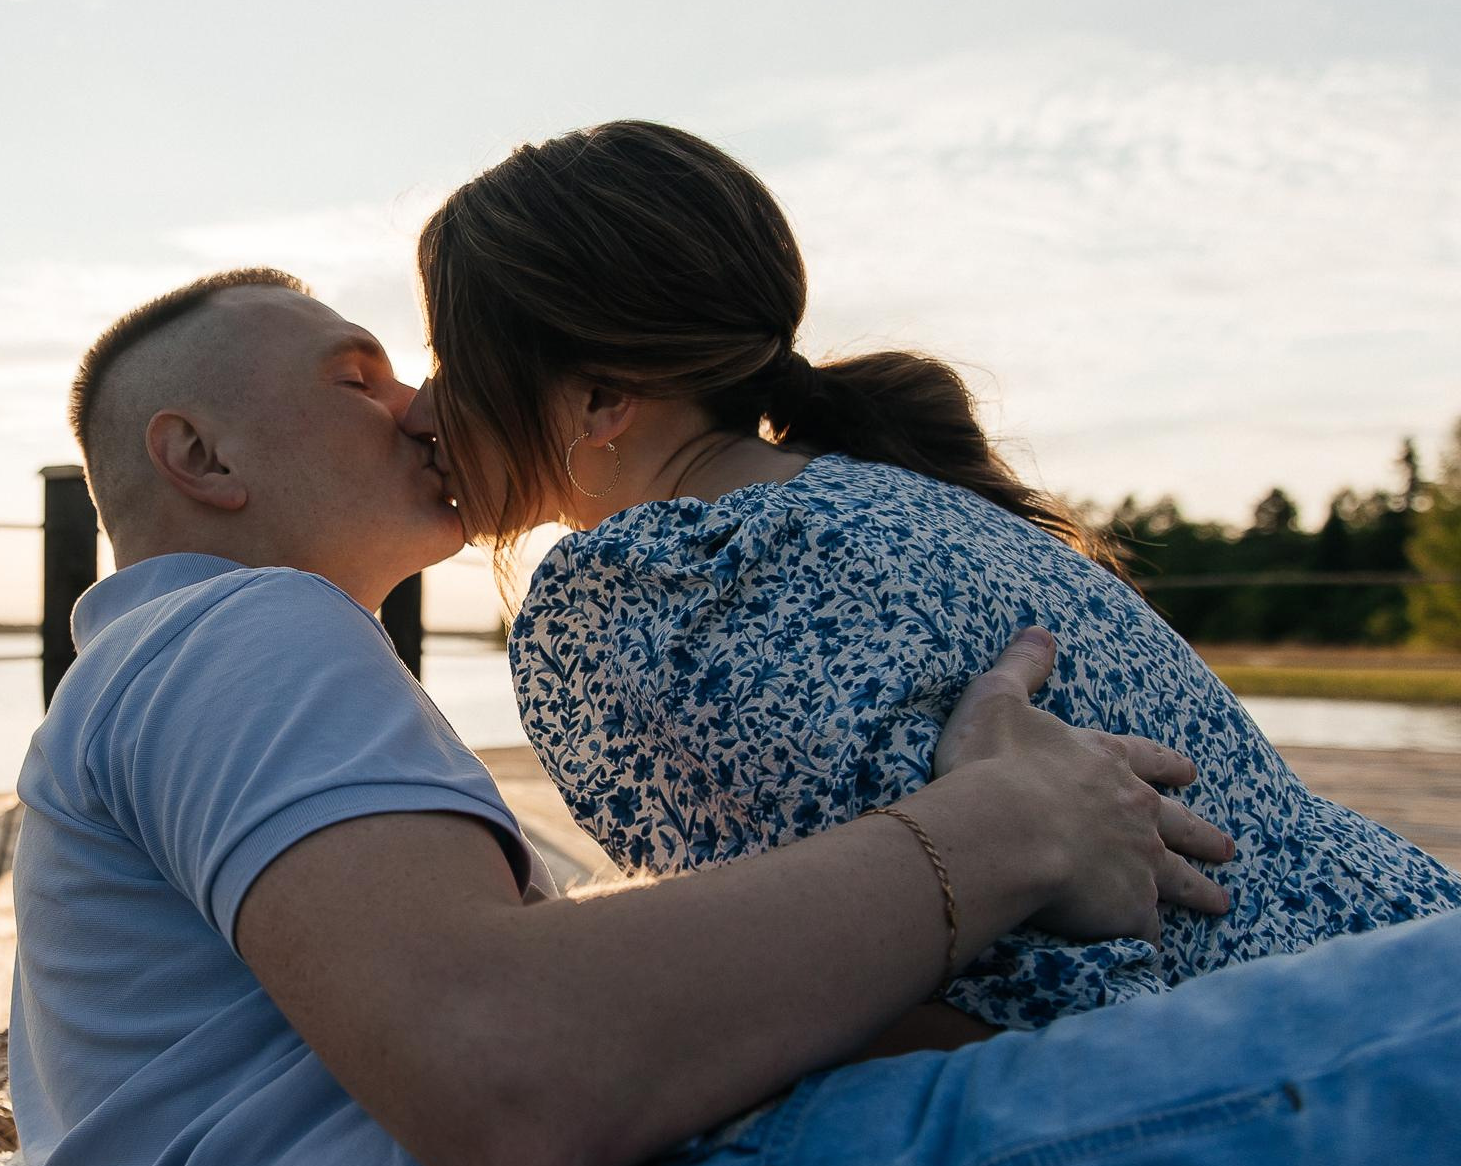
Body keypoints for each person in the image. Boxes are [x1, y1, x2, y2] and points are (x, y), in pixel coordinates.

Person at [7, 267, 1459, 1166]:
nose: (420, 405)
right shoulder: (236, 628)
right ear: (198, 456)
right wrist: (1002, 830)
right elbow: (507, 1068)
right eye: (358, 375)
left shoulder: (143, 703)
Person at [408, 120, 1461, 1041]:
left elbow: (990, 1025)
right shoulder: (916, 500)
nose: (420, 407)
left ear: (598, 398)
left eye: (451, 357)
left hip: (1333, 1111)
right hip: (1405, 976)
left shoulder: (653, 596)